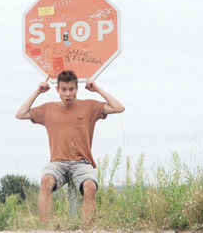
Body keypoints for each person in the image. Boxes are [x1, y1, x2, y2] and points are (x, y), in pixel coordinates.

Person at [15, 70, 125, 224]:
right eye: (64, 89)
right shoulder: (48, 109)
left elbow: (119, 107)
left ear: (76, 89)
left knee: (90, 187)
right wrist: (38, 92)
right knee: (46, 181)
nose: (68, 94)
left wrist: (97, 89)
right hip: (58, 162)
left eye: (71, 89)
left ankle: (85, 229)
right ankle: (48, 228)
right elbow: (20, 114)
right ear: (57, 90)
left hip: (82, 162)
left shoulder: (89, 106)